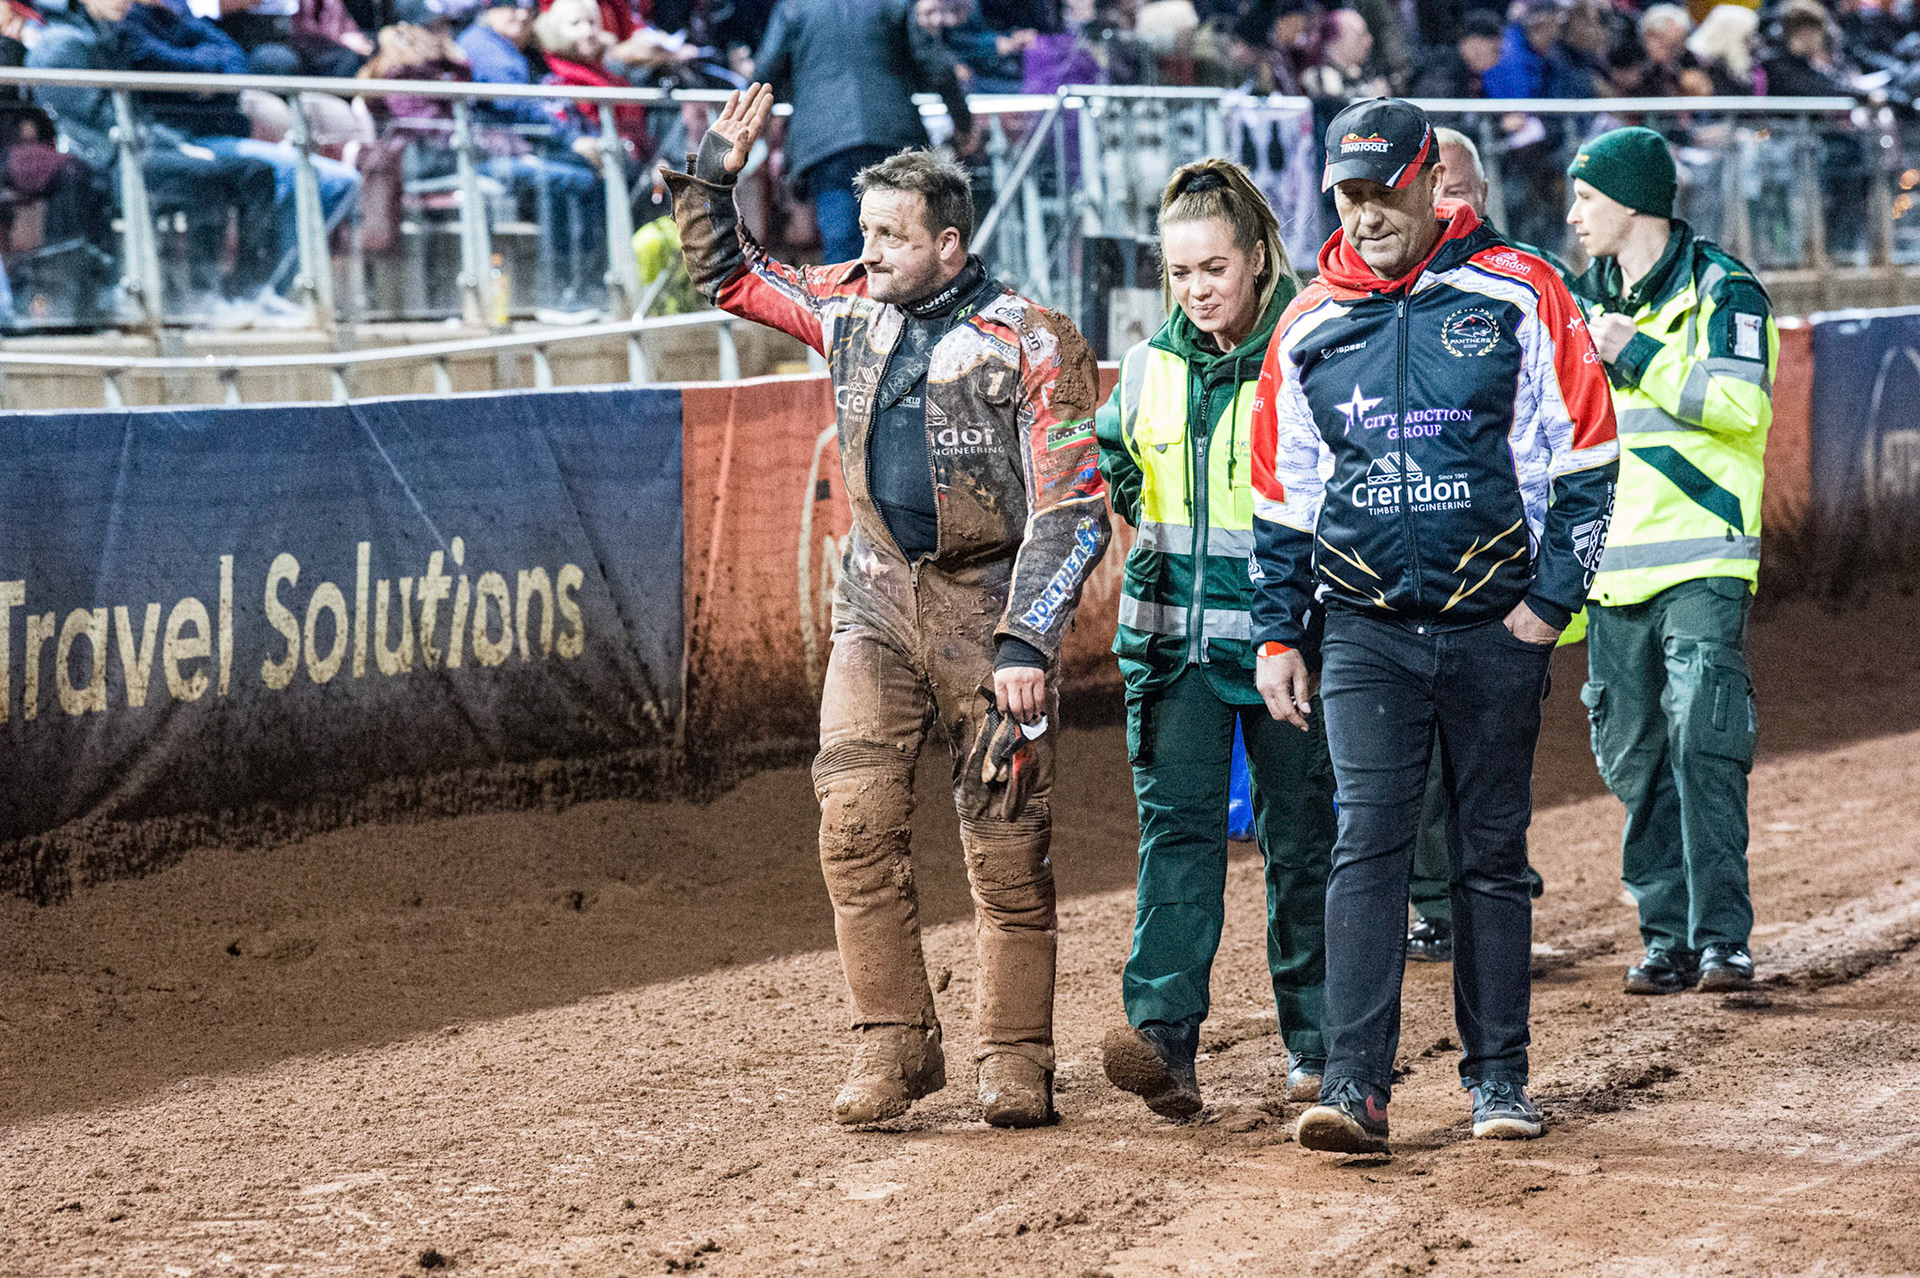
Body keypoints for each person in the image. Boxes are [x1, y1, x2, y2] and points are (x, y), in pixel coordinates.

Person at [666, 84, 1110, 1129]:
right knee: (853, 826)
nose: (866, 252)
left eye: (889, 236)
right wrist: (713, 172)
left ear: (950, 244)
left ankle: (1016, 1055)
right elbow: (730, 273)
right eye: (862, 232)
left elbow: (1076, 506)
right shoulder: (851, 305)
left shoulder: (1036, 342)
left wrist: (1026, 638)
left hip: (990, 614)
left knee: (1007, 839)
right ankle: (893, 1046)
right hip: (877, 607)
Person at [1249, 97, 1619, 1155]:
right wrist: (1280, 633)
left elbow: (1587, 459)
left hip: (1495, 627)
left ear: (1429, 183)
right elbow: (1285, 497)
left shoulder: (1523, 291)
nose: (1363, 216)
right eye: (1345, 198)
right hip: (1363, 627)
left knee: (1490, 856)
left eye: (1380, 192)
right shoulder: (1310, 321)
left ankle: (1499, 1081)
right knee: (1366, 841)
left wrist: (1547, 607)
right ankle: (1355, 1088)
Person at [1091, 159, 1336, 1121]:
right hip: (1172, 655)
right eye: (1180, 272)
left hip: (1290, 652)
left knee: (1304, 845)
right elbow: (1120, 465)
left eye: (1214, 269)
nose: (1196, 290)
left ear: (1260, 257)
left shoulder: (1309, 348)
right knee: (1176, 839)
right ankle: (1162, 1040)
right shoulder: (1148, 367)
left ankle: (1321, 1047)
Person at [1565, 127, 1775, 996]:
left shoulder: (1727, 288)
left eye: (1586, 197)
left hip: (1703, 562)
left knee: (1703, 739)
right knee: (1637, 756)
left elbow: (1741, 404)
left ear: (1631, 203)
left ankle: (1723, 936)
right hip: (1612, 571)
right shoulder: (1576, 303)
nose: (1574, 215)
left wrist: (1636, 353)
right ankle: (1667, 938)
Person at [1402, 124, 1559, 964]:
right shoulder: (1382, 291)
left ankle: (1496, 894)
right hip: (1410, 572)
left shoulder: (1529, 287)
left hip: (1504, 572)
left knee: (1491, 759)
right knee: (1418, 762)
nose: (1445, 201)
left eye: (1457, 185)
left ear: (1482, 195)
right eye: (1432, 186)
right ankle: (1435, 904)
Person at [115, 0, 361, 312]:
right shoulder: (133, 21)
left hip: (226, 137)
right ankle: (248, 293)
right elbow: (149, 59)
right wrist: (208, 72)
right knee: (272, 172)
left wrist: (201, 75)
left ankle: (267, 288)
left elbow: (236, 59)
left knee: (341, 182)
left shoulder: (184, 16)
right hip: (179, 140)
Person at [753, 0, 972, 266]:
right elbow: (937, 68)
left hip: (827, 142)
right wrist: (963, 126)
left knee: (842, 246)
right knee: (902, 241)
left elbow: (765, 73)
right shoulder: (897, 4)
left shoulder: (795, 7)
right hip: (893, 137)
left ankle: (847, 306)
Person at [1406, 7, 1502, 100]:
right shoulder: (1441, 76)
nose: (1497, 59)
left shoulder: (1471, 77)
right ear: (1474, 44)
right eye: (1495, 50)